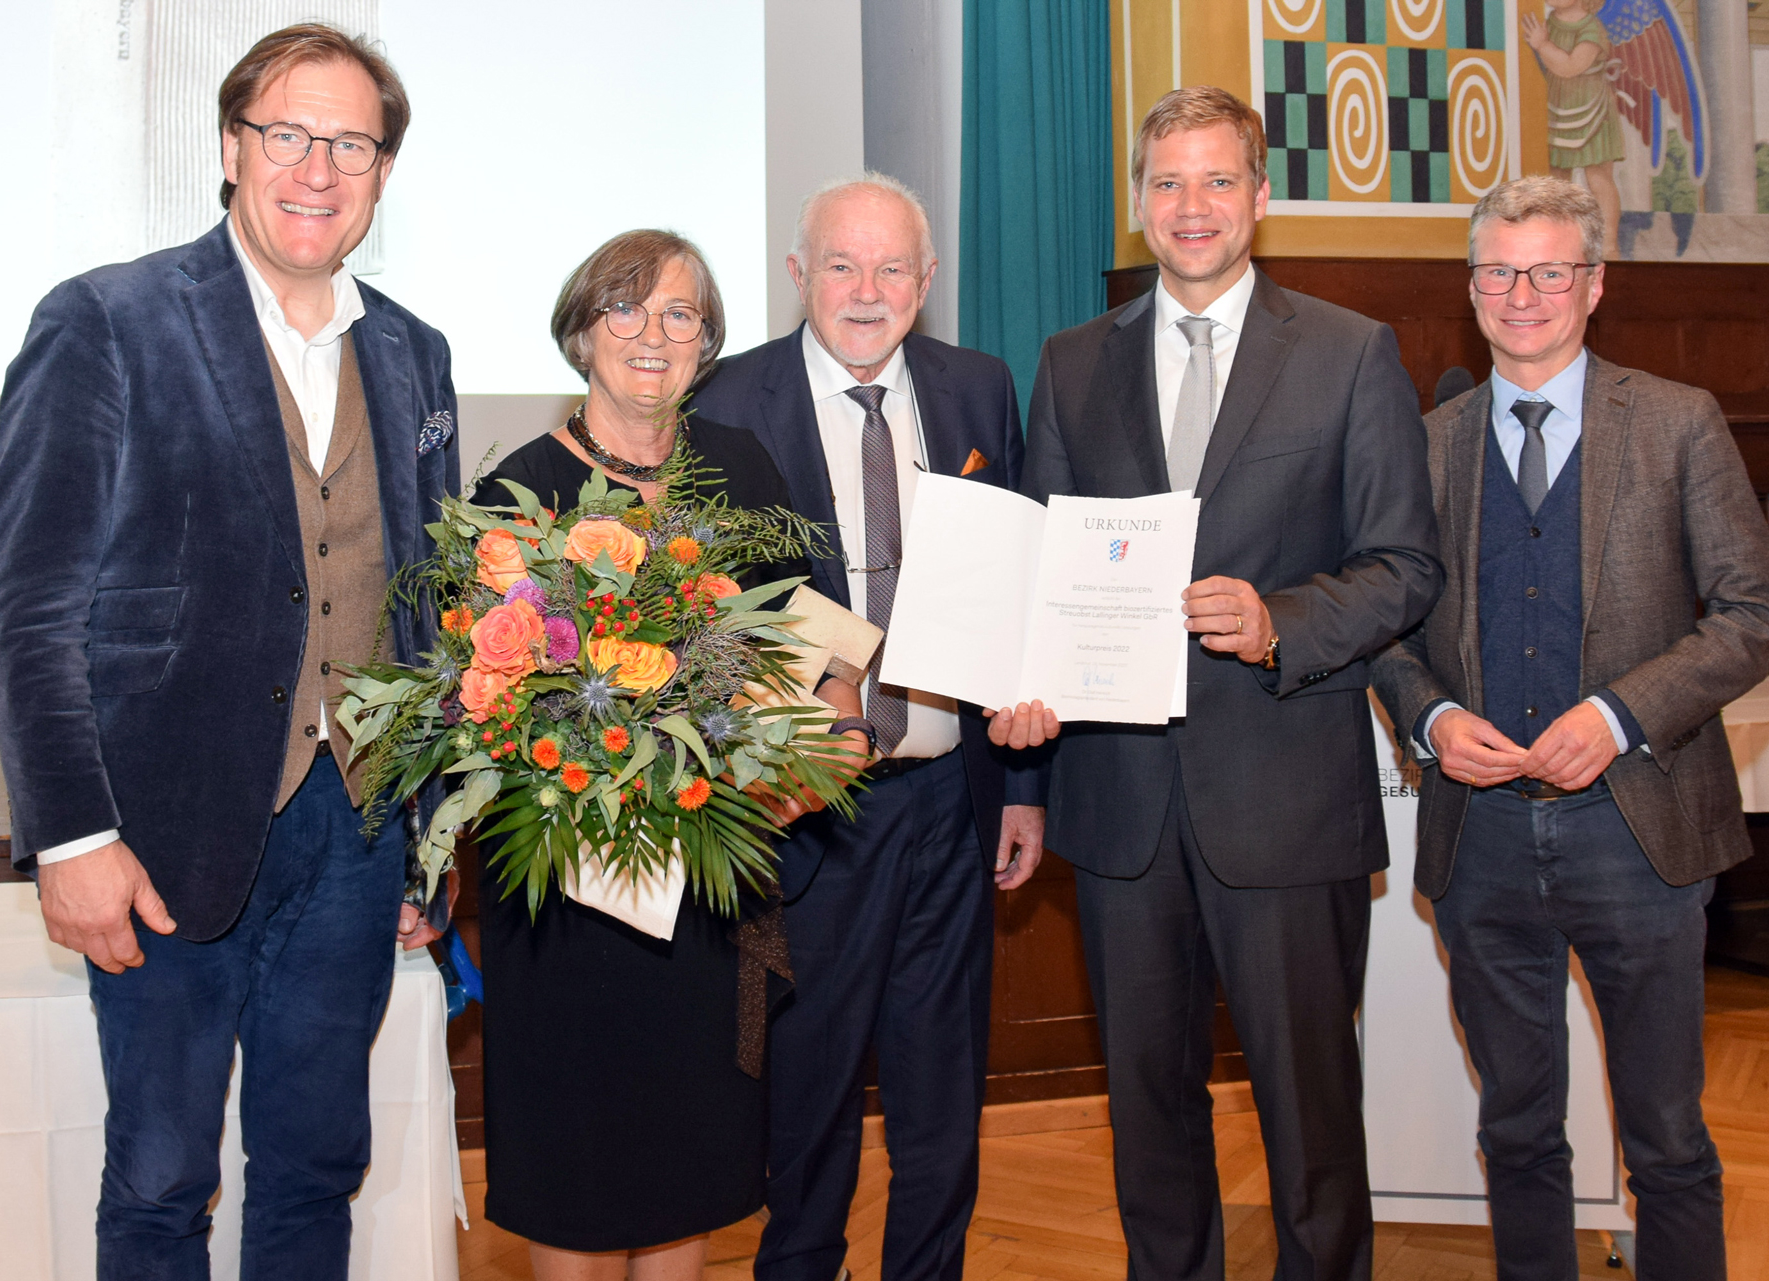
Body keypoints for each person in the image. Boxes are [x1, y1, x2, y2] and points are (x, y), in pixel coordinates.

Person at [0, 24, 457, 1278]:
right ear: (233, 149)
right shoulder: (107, 320)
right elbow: (27, 611)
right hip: (162, 837)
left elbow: (427, 615)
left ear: (384, 173)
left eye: (350, 143)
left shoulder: (415, 353)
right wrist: (72, 838)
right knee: (160, 1178)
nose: (317, 167)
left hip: (355, 840)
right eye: (287, 134)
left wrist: (430, 831)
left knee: (314, 1172)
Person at [989, 87, 1441, 1280]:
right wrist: (1026, 706)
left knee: (1308, 1114)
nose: (1192, 207)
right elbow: (1045, 561)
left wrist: (1279, 619)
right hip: (1122, 803)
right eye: (1168, 184)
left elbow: (1406, 567)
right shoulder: (1072, 361)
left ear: (1259, 197)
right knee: (1147, 1109)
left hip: (1286, 798)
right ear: (1140, 204)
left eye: (1217, 180)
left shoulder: (1349, 351)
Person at [1370, 175, 1769, 1280]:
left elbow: (1755, 616)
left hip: (1641, 839)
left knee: (1668, 1142)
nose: (1524, 293)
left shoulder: (1677, 422)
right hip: (1483, 847)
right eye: (1501, 271)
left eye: (1550, 270)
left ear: (1594, 286)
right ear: (1472, 287)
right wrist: (1434, 717)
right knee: (1515, 1132)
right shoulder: (1430, 441)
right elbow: (1388, 629)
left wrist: (1618, 716)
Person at [470, 228, 874, 1281]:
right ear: (581, 330)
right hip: (569, 904)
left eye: (681, 314)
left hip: (708, 894)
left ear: (710, 342)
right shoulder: (522, 496)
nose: (653, 335)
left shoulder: (739, 465)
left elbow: (813, 633)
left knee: (689, 1167)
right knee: (582, 1178)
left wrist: (830, 727)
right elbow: (487, 705)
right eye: (626, 309)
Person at [689, 174, 1045, 1281]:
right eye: (841, 265)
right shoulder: (726, 403)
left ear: (927, 282)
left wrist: (1026, 786)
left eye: (893, 268)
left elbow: (1022, 586)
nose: (866, 290)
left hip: (954, 795)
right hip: (808, 812)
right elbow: (701, 622)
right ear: (798, 276)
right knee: (810, 1080)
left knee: (943, 1082)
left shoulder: (979, 389)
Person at [1524, 1, 1623, 257]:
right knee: (1556, 177)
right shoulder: (1549, 23)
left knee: (1598, 177)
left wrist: (1542, 45)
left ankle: (1609, 242)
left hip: (1592, 111)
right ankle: (1558, 239)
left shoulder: (1591, 28)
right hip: (1559, 109)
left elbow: (1569, 67)